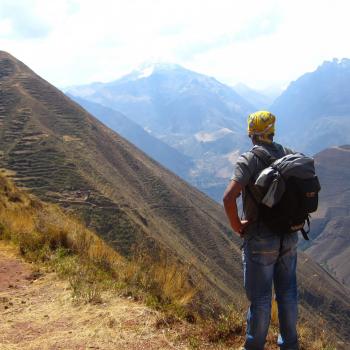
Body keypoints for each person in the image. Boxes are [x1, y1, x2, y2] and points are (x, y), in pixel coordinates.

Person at [223, 111, 299, 350]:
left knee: (261, 299)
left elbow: (228, 198)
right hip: (288, 236)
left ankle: (254, 347)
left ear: (251, 133)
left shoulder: (250, 160)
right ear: (272, 130)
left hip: (260, 239)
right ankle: (290, 345)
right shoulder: (289, 155)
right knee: (287, 293)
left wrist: (237, 226)